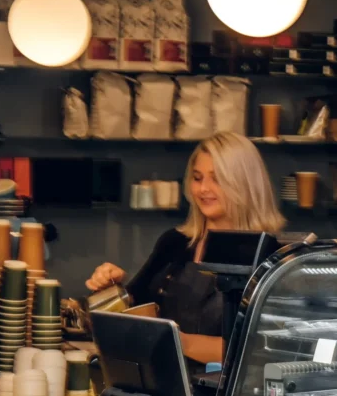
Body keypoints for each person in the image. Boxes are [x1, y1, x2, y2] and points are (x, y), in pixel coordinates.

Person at [85, 132, 285, 365]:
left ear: (245, 185)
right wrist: (112, 288)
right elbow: (134, 309)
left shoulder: (270, 256)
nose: (203, 189)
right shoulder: (174, 242)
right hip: (164, 384)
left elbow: (258, 349)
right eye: (198, 178)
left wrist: (176, 340)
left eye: (217, 179)